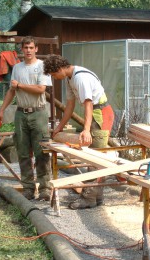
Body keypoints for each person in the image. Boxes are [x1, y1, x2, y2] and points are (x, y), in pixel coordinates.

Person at [44, 54, 114, 209]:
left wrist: (87, 130)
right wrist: (59, 128)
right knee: (96, 156)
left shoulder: (80, 78)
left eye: (54, 74)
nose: (55, 78)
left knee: (94, 158)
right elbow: (69, 106)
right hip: (95, 113)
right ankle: (97, 197)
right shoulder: (70, 79)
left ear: (60, 68)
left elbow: (88, 104)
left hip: (101, 114)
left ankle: (89, 198)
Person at [0, 36, 52, 201]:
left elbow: (41, 89)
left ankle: (45, 189)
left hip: (38, 112)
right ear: (22, 50)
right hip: (21, 113)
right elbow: (11, 91)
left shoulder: (42, 66)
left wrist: (19, 85)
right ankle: (28, 188)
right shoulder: (17, 68)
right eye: (25, 47)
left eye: (31, 47)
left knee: (42, 151)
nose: (28, 50)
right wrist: (1, 111)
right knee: (22, 152)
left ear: (36, 49)